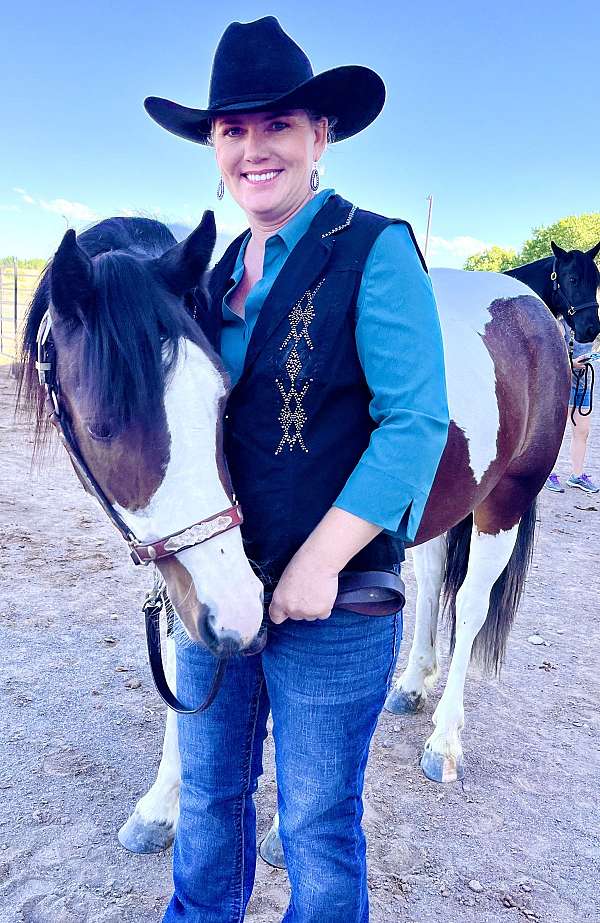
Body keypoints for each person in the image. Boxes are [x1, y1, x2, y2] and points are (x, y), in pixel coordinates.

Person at [144, 16, 449, 922]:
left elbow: (416, 425)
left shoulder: (375, 248)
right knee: (207, 803)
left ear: (321, 136)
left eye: (277, 124)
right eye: (231, 130)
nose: (253, 148)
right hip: (213, 592)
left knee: (317, 823)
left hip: (335, 605)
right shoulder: (209, 272)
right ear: (213, 148)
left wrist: (321, 560)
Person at [546, 322, 598, 494]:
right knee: (556, 433)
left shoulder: (588, 323)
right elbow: (550, 356)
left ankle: (577, 475)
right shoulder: (558, 322)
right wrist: (571, 363)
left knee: (583, 431)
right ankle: (547, 473)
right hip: (562, 383)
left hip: (583, 385)